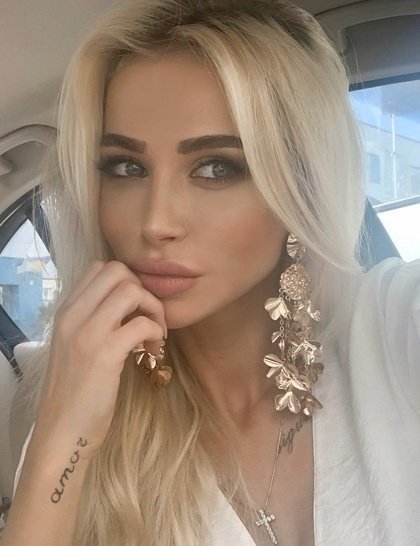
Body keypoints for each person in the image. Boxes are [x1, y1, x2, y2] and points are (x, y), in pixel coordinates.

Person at [1, 0, 419, 544]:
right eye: (126, 167)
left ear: (301, 185)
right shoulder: (83, 412)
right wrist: (62, 434)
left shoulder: (392, 329)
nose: (156, 223)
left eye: (217, 167)